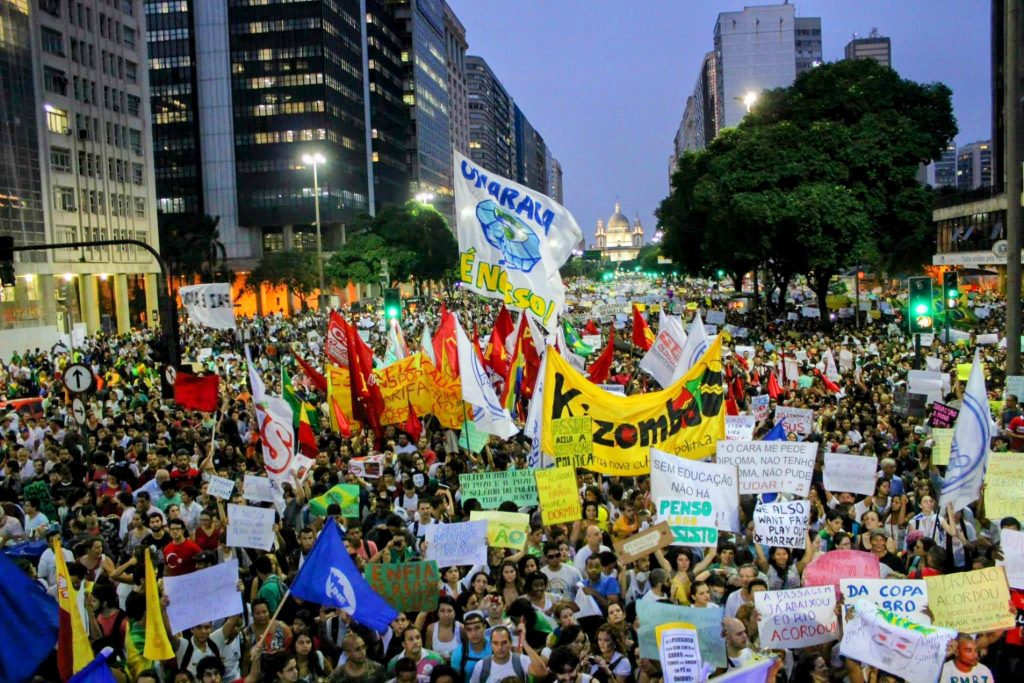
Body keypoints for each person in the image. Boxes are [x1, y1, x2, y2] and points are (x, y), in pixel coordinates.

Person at [467, 626, 543, 683]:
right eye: (495, 643)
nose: (500, 647)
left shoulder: (521, 660)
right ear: (490, 644)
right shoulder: (481, 666)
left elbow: (541, 672)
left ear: (511, 643)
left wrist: (524, 642)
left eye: (504, 643)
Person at [449, 612, 491, 683]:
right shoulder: (458, 654)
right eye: (469, 629)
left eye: (477, 628)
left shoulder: (496, 646)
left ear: (484, 627)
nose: (473, 633)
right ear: (465, 631)